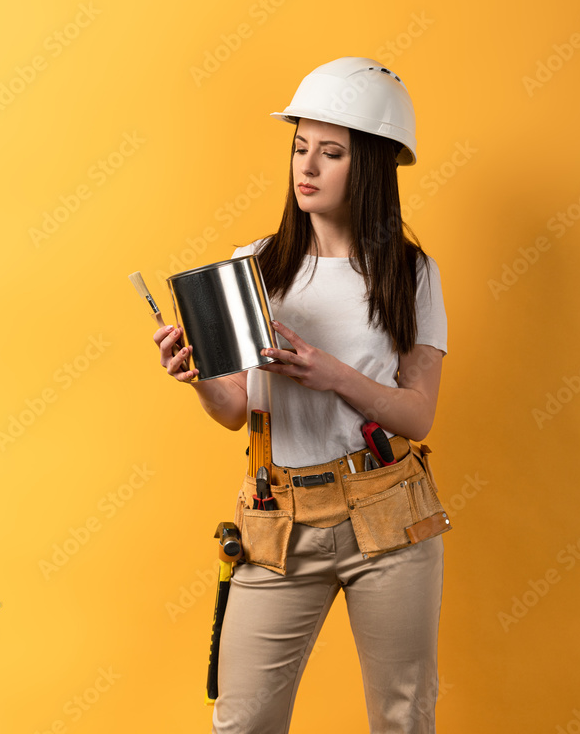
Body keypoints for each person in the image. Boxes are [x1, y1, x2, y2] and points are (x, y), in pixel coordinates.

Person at [154, 57, 449, 734]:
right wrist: (197, 375)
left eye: (331, 152)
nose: (306, 167)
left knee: (403, 719)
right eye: (299, 147)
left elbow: (417, 412)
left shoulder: (409, 272)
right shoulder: (253, 264)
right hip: (277, 517)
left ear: (369, 166)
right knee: (243, 721)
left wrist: (331, 374)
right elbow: (234, 410)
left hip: (387, 512)